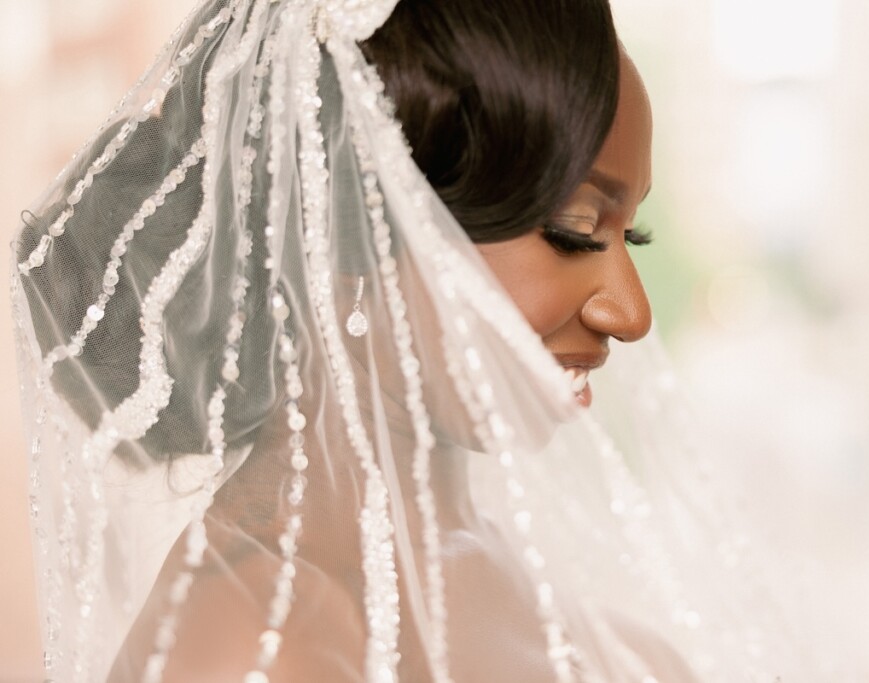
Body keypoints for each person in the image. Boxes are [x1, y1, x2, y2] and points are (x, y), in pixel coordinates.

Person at [12, 0, 808, 681]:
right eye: (572, 232)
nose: (630, 314)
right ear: (353, 222)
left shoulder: (568, 613)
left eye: (628, 237)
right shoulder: (250, 648)